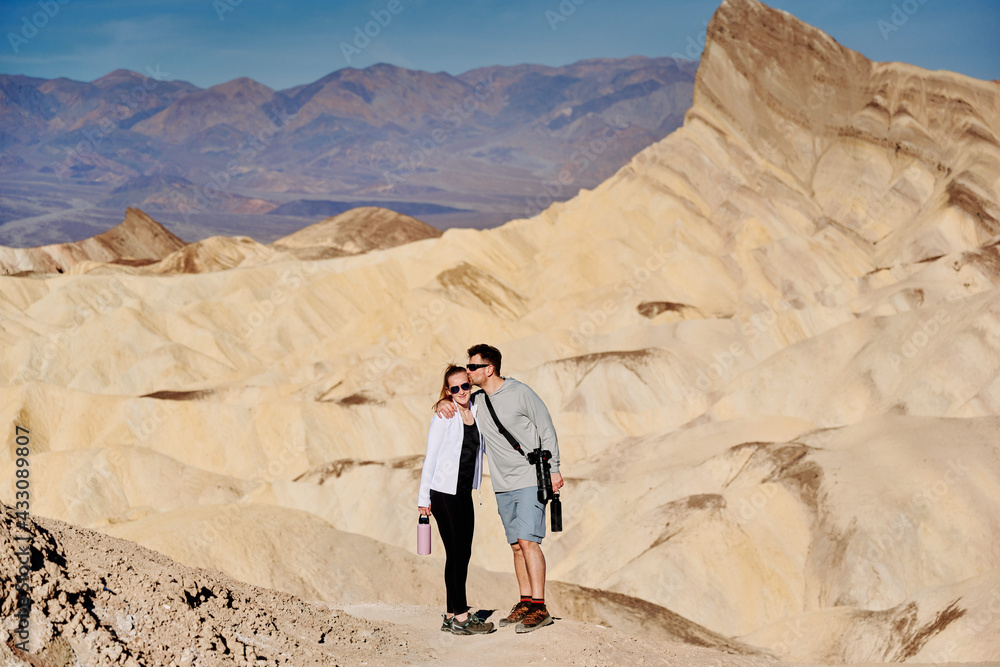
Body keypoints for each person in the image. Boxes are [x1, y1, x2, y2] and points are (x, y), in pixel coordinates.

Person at [437, 344, 563, 634]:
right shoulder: (477, 401)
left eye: (472, 367)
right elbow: (456, 406)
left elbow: (546, 428)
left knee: (529, 541)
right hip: (502, 485)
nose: (467, 373)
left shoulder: (521, 393)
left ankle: (540, 607)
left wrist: (554, 468)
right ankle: (525, 602)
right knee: (516, 545)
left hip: (531, 477)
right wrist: (442, 402)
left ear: (488, 369)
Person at [418, 365, 495, 635]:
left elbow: (493, 389)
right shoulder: (444, 416)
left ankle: (451, 614)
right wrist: (423, 498)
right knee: (458, 553)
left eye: (466, 386)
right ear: (447, 391)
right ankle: (462, 618)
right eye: (455, 388)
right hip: (443, 493)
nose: (462, 392)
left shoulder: (475, 408)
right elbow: (431, 457)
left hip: (463, 492)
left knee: (461, 553)